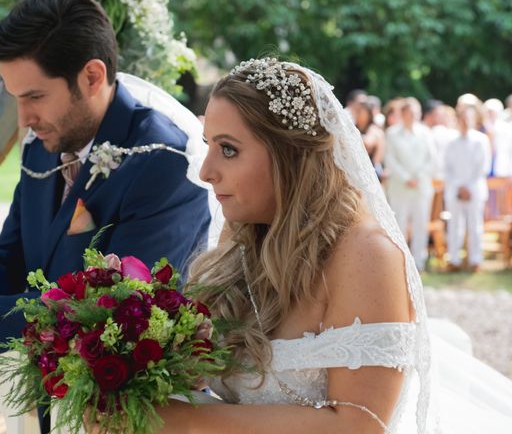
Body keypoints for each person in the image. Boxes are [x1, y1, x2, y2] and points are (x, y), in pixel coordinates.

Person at [0, 0, 210, 427]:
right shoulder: (44, 143)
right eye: (15, 97)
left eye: (34, 96)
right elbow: (10, 258)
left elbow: (112, 312)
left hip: (131, 411)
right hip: (56, 400)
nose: (23, 119)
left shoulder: (163, 162)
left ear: (91, 76)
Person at [147, 58, 512, 433]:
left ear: (290, 155)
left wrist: (191, 420)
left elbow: (360, 425)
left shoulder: (367, 255)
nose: (205, 171)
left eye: (228, 150)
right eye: (209, 145)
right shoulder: (238, 240)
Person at [384, 97, 437, 271]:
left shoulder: (426, 133)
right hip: (400, 186)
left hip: (421, 186)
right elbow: (390, 159)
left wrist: (418, 177)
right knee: (399, 222)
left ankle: (419, 261)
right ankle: (400, 261)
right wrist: (406, 178)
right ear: (403, 114)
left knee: (421, 223)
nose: (414, 115)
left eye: (417, 112)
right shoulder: (392, 133)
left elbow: (432, 159)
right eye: (410, 112)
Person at [444, 107, 491, 272]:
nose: (465, 122)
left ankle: (475, 259)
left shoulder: (481, 140)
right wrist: (458, 186)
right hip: (455, 190)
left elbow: (483, 167)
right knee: (455, 225)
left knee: (475, 225)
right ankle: (454, 259)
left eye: (468, 118)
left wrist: (469, 187)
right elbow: (447, 168)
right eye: (462, 118)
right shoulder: (450, 141)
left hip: (475, 189)